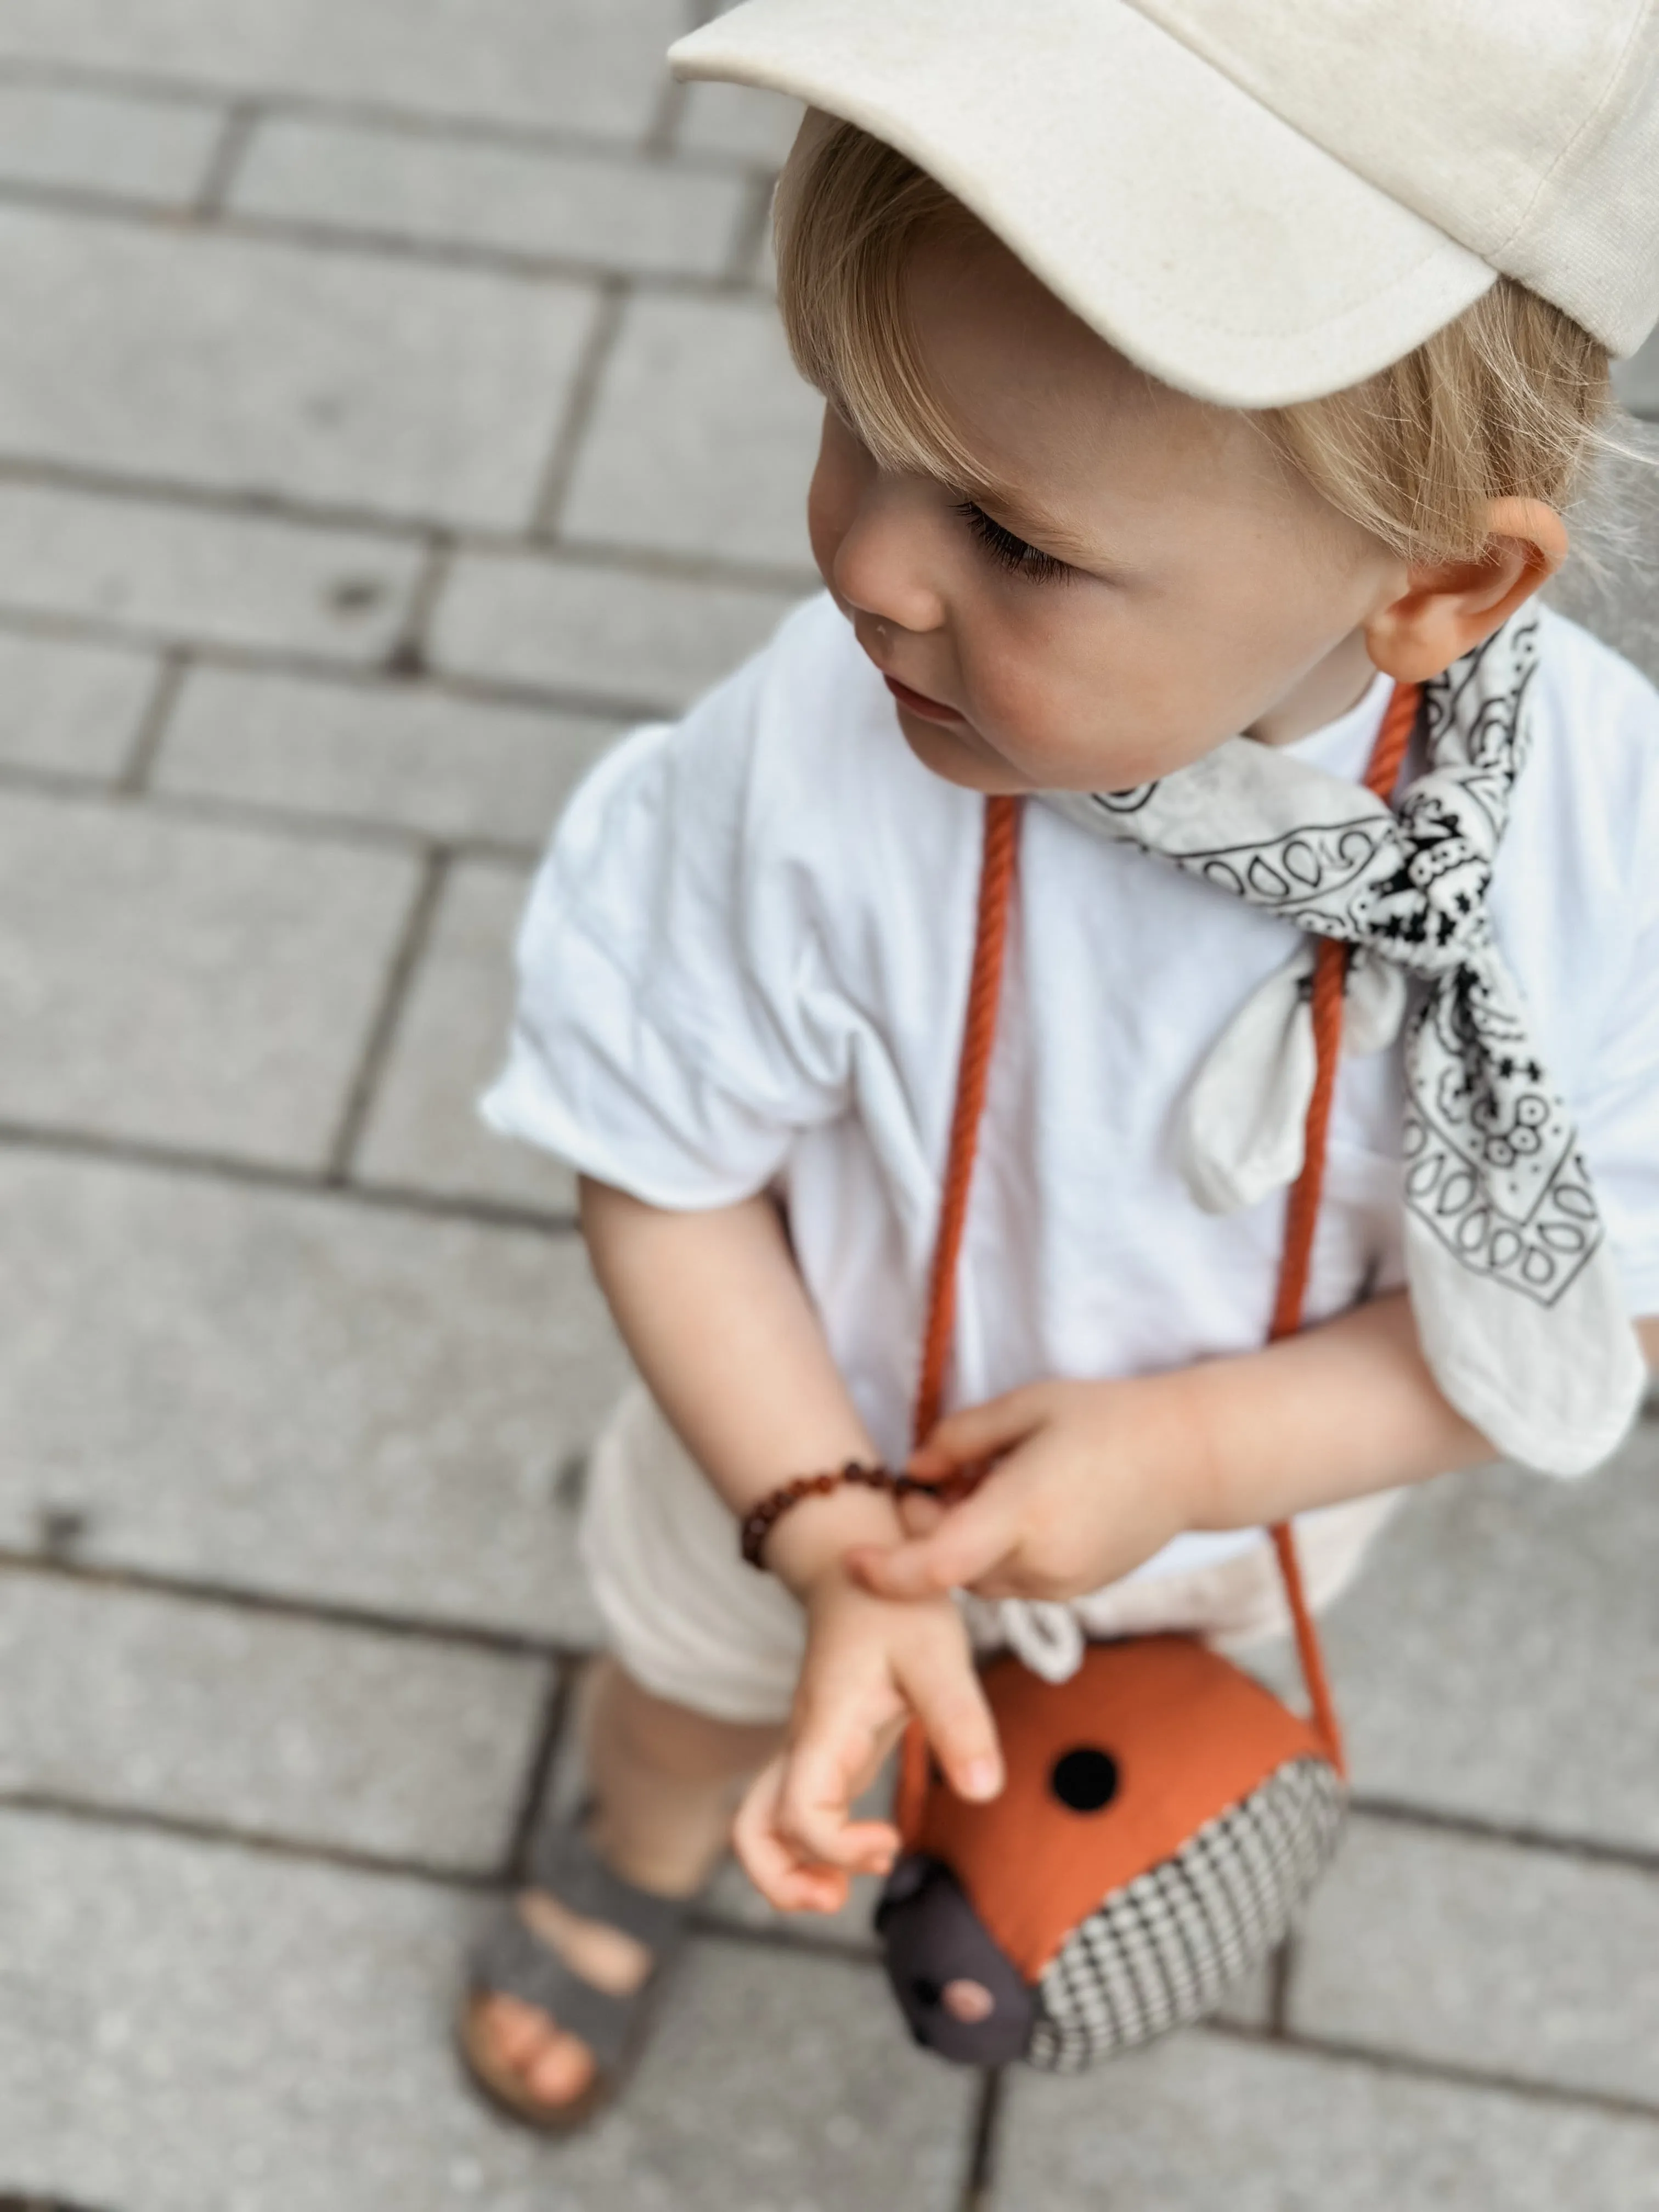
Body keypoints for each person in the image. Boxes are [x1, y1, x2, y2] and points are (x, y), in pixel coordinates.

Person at [458, 0, 1659, 2129]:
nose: (869, 567)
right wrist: (824, 1523)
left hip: (1215, 1524)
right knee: (682, 1699)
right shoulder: (822, 763)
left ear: (1442, 584)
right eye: (852, 421)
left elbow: (1595, 1296)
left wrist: (1191, 1463)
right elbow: (655, 1156)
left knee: (1093, 1748)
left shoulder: (1591, 869)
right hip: (791, 1443)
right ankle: (622, 1849)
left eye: (1016, 545)